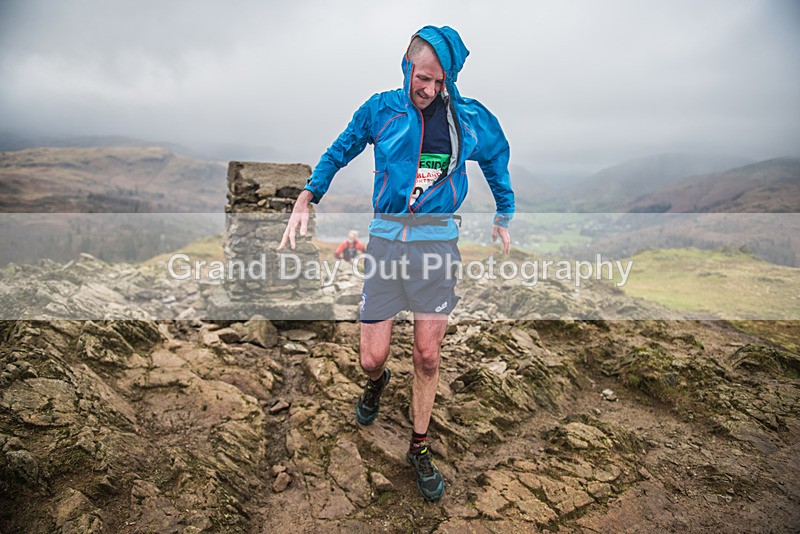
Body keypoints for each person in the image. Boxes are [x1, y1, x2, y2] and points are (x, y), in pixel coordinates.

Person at [279, 25, 514, 502]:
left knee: (427, 355)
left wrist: (503, 211)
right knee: (372, 357)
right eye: (421, 77)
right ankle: (377, 384)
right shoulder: (381, 109)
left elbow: (496, 158)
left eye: (438, 81)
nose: (427, 89)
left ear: (449, 79)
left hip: (437, 249)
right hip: (386, 246)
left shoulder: (467, 119)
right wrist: (308, 194)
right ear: (407, 67)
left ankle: (420, 446)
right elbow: (340, 149)